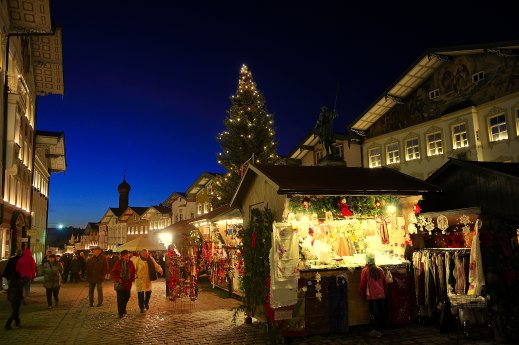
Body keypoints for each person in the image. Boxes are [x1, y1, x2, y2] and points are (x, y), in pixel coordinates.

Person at [359, 253, 388, 338]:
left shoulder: (365, 271)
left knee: (374, 313)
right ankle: (381, 329)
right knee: (381, 311)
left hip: (372, 296)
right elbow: (384, 283)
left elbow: (363, 284)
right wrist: (385, 293)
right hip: (381, 295)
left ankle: (376, 330)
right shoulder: (380, 270)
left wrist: (361, 294)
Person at [132, 248, 163, 313]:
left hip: (148, 279)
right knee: (140, 294)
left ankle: (146, 303)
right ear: (141, 254)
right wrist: (134, 275)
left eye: (147, 254)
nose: (147, 255)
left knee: (148, 293)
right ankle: (141, 307)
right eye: (145, 254)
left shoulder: (150, 259)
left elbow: (156, 265)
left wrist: (160, 270)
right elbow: (133, 269)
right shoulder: (137, 260)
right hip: (140, 280)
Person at [111, 250, 136, 318]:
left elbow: (133, 271)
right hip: (120, 283)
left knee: (127, 296)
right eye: (126, 255)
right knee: (120, 299)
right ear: (122, 256)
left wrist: (132, 278)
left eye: (128, 255)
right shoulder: (118, 263)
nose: (128, 257)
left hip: (128, 283)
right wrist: (117, 279)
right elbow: (113, 272)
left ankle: (123, 307)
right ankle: (120, 313)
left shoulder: (130, 263)